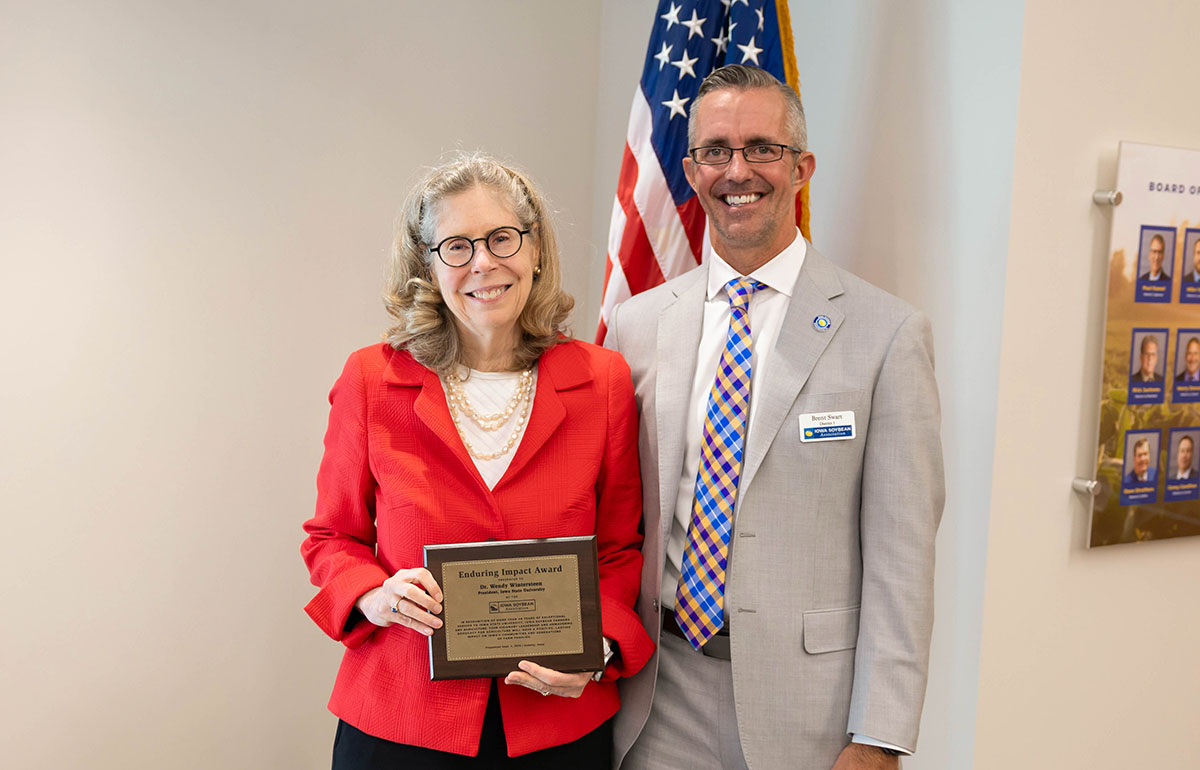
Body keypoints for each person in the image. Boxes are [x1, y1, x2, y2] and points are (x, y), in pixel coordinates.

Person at [605, 65, 944, 770]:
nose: (739, 170)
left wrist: (880, 734)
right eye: (716, 151)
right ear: (692, 170)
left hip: (811, 712)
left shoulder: (887, 333)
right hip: (657, 698)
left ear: (801, 168)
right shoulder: (636, 328)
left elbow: (901, 557)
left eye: (761, 147)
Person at [302, 153, 654, 768]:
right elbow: (332, 537)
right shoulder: (370, 380)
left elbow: (620, 550)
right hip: (402, 722)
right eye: (456, 246)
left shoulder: (603, 381)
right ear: (427, 265)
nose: (484, 264)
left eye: (501, 238)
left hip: (555, 725)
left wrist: (595, 648)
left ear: (535, 248)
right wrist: (373, 596)